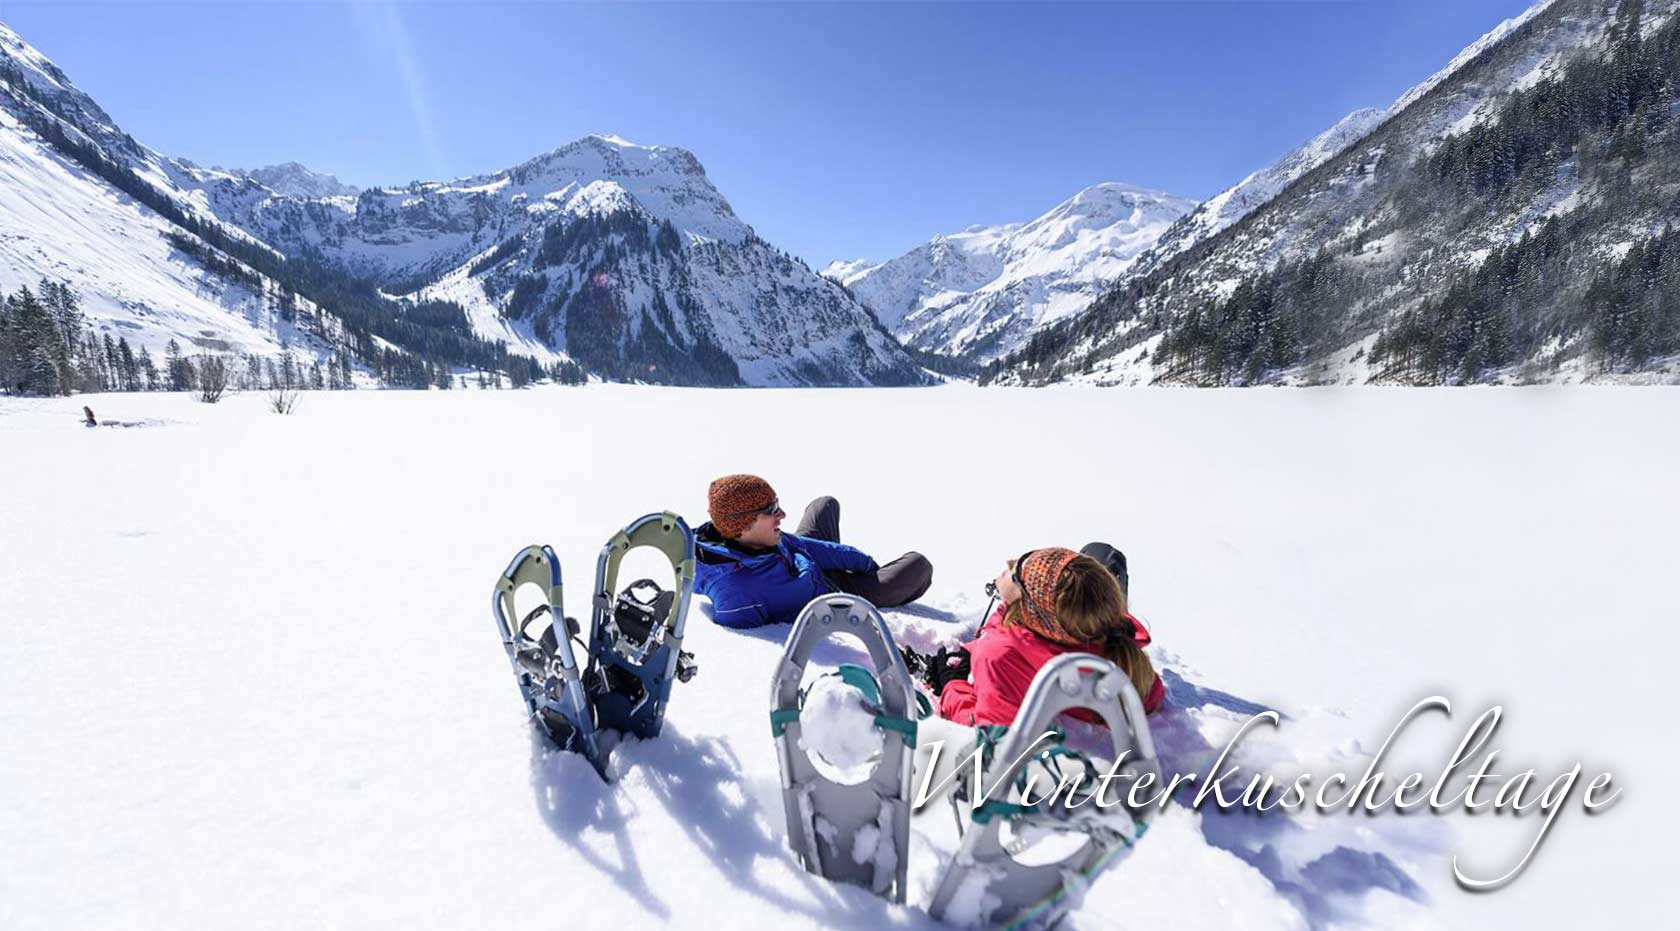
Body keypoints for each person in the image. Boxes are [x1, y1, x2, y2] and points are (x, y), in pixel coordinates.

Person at [922, 546, 1163, 728]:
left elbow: (989, 736)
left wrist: (953, 686)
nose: (1009, 561)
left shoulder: (998, 656)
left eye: (1015, 573)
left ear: (1028, 609)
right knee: (1099, 552)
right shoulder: (1108, 628)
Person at [694, 474, 933, 629]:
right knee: (918, 566)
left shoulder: (760, 538)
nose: (782, 514)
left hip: (810, 565)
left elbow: (804, 545)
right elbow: (763, 636)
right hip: (835, 595)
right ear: (743, 524)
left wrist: (866, 564)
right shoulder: (737, 593)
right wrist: (873, 586)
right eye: (772, 509)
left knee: (825, 504)